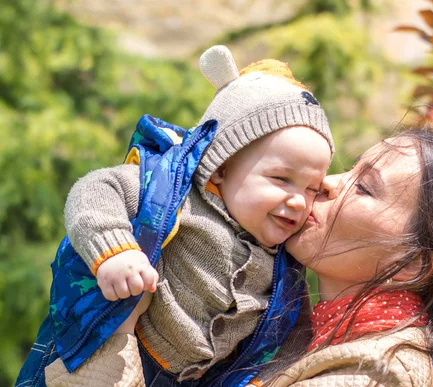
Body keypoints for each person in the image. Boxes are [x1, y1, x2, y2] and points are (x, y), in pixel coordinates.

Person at [45, 124, 433, 387]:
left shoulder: (375, 377)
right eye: (350, 168)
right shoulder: (307, 329)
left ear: (412, 264)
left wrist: (119, 329)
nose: (327, 183)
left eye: (365, 187)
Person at [17, 45, 334, 387]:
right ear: (220, 169)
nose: (300, 201)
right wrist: (115, 249)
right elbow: (95, 189)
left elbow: (291, 329)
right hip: (114, 349)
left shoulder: (284, 263)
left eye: (312, 188)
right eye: (282, 179)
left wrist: (265, 378)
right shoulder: (171, 193)